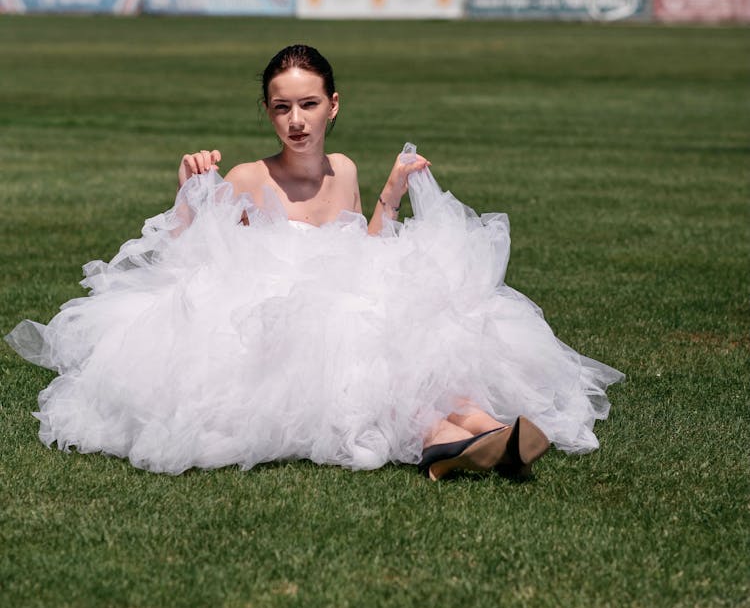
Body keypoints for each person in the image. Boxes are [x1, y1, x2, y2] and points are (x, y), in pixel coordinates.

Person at [5, 43, 623, 480]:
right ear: (269, 113)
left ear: (333, 104)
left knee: (415, 317)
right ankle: (448, 436)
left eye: (307, 104)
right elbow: (185, 255)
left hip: (346, 293)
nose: (295, 121)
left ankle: (474, 429)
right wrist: (186, 189)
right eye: (281, 107)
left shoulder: (346, 169)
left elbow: (366, 248)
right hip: (275, 319)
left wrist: (391, 193)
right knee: (360, 342)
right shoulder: (249, 177)